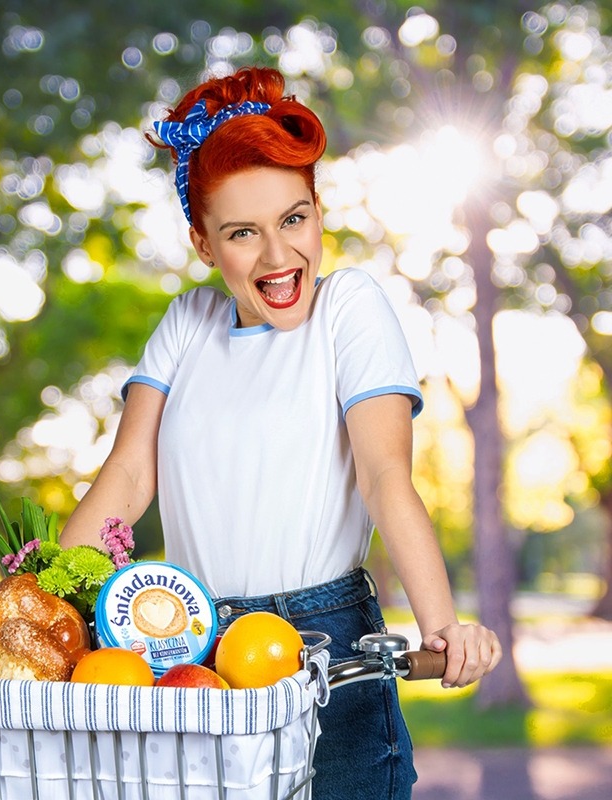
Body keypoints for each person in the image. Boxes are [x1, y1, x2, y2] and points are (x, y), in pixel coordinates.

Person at [60, 65, 502, 799]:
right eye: (242, 233)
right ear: (203, 242)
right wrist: (46, 610)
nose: (277, 258)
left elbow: (385, 476)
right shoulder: (186, 326)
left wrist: (443, 624)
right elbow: (129, 476)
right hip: (189, 647)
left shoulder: (349, 309)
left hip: (323, 641)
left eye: (293, 219)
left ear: (318, 210)